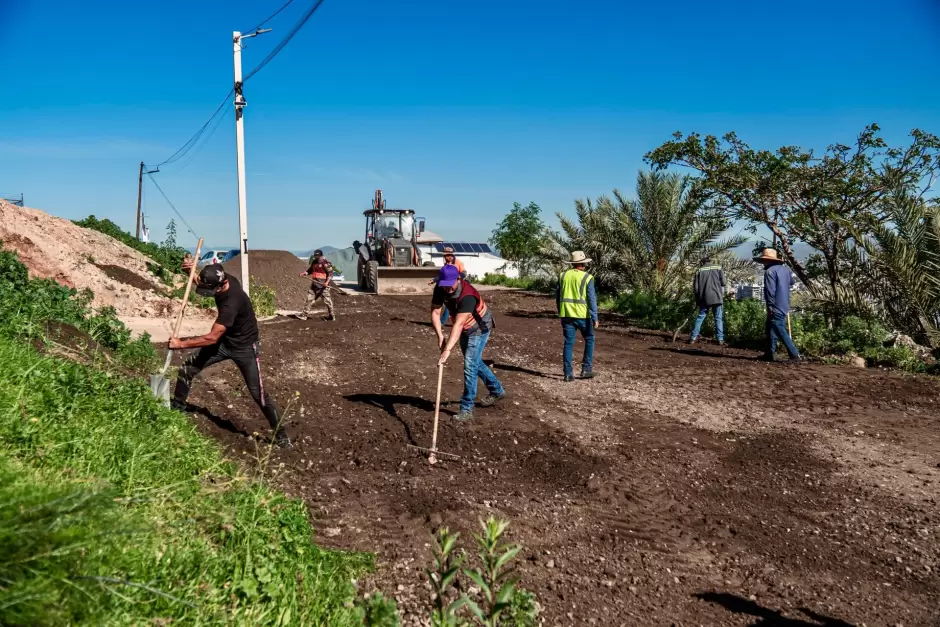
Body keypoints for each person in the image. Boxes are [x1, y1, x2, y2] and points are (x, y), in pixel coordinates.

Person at [169, 263, 292, 449]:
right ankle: (177, 408)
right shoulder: (224, 280)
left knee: (258, 394)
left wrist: (181, 344)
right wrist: (190, 272)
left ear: (222, 285)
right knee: (188, 367)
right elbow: (201, 283)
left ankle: (281, 436)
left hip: (244, 348)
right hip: (226, 342)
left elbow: (211, 338)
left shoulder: (231, 303)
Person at [431, 265, 505, 421]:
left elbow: (458, 325)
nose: (447, 288)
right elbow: (435, 312)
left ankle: (466, 409)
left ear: (458, 279)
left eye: (450, 284)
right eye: (444, 284)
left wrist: (447, 350)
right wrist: (440, 337)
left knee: (470, 364)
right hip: (464, 327)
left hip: (479, 327)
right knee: (475, 362)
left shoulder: (467, 295)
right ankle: (497, 390)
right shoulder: (441, 287)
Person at [557, 251, 598, 382]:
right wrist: (595, 316)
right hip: (583, 315)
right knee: (590, 339)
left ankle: (568, 374)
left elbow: (558, 296)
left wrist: (560, 310)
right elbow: (591, 298)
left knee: (568, 343)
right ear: (583, 264)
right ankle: (586, 369)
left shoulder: (563, 275)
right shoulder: (587, 278)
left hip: (567, 315)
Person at [754, 248, 801, 364]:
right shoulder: (785, 270)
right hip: (784, 304)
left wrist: (770, 307)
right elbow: (792, 282)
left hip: (775, 305)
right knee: (770, 327)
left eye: (764, 260)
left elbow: (770, 292)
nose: (764, 263)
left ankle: (794, 354)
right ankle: (770, 352)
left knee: (779, 328)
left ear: (767, 261)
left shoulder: (769, 272)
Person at [689, 255, 726, 345]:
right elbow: (724, 283)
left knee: (700, 317)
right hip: (717, 297)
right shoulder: (718, 267)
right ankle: (720, 339)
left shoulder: (699, 270)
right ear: (710, 261)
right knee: (718, 318)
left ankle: (693, 338)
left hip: (704, 298)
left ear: (702, 262)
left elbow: (696, 288)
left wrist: (698, 300)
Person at [298, 249, 336, 321]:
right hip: (314, 285)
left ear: (321, 256)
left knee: (327, 301)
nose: (316, 258)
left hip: (323, 287)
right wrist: (304, 273)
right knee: (309, 299)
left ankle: (331, 315)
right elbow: (310, 271)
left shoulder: (326, 264)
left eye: (318, 257)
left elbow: (330, 274)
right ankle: (304, 315)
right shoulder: (314, 262)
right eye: (315, 257)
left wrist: (327, 282)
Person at [436, 247, 467, 326]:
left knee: (450, 303)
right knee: (449, 303)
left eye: (448, 255)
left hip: (457, 286)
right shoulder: (446, 263)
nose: (447, 257)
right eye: (445, 255)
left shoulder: (458, 262)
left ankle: (443, 321)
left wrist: (458, 277)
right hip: (448, 286)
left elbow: (464, 272)